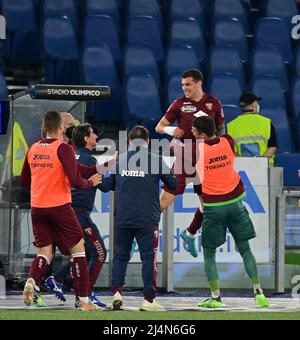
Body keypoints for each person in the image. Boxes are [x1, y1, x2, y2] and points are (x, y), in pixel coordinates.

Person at [20, 111, 102, 311]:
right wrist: (89, 183)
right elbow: (76, 180)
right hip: (59, 206)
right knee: (79, 250)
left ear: (44, 126)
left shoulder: (33, 148)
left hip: (37, 207)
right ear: (61, 128)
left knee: (44, 253)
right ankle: (83, 301)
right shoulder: (63, 148)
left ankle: (32, 281)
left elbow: (24, 180)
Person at [192, 116, 269, 308]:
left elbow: (197, 183)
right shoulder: (228, 141)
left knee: (209, 254)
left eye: (194, 131)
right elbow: (217, 131)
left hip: (214, 207)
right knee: (245, 249)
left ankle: (216, 297)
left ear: (201, 134)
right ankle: (258, 291)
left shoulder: (197, 151)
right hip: (236, 203)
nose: (192, 133)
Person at [155, 68, 225, 257]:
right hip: (184, 159)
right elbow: (159, 126)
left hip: (205, 161)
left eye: (188, 84)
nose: (184, 88)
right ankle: (144, 236)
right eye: (183, 85)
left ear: (198, 83)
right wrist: (171, 131)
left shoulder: (213, 103)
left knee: (208, 206)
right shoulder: (179, 104)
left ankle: (189, 233)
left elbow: (221, 131)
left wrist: (218, 148)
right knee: (162, 203)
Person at [110, 126, 178, 311]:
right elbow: (174, 183)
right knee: (149, 258)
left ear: (129, 141)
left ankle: (117, 292)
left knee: (120, 256)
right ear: (148, 142)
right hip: (147, 218)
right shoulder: (156, 161)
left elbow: (107, 184)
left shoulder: (119, 160)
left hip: (123, 216)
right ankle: (148, 300)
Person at [45, 124, 110, 308]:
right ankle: (86, 295)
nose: (96, 136)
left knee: (83, 253)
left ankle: (57, 279)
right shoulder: (90, 161)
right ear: (86, 139)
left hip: (64, 210)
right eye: (93, 134)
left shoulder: (69, 156)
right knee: (99, 253)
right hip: (80, 214)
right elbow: (105, 186)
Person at [227, 92, 278, 165]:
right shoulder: (267, 123)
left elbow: (231, 152)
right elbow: (272, 147)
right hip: (266, 169)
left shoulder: (230, 126)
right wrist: (259, 163)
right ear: (253, 104)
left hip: (241, 169)